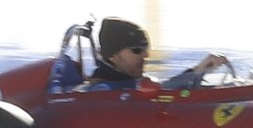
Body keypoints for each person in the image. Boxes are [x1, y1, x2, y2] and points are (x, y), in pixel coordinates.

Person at [80, 16, 229, 91]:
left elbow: (163, 89)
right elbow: (158, 92)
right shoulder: (103, 91)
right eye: (137, 50)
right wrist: (195, 73)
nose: (145, 55)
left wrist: (198, 70)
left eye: (146, 48)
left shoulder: (127, 83)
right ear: (112, 56)